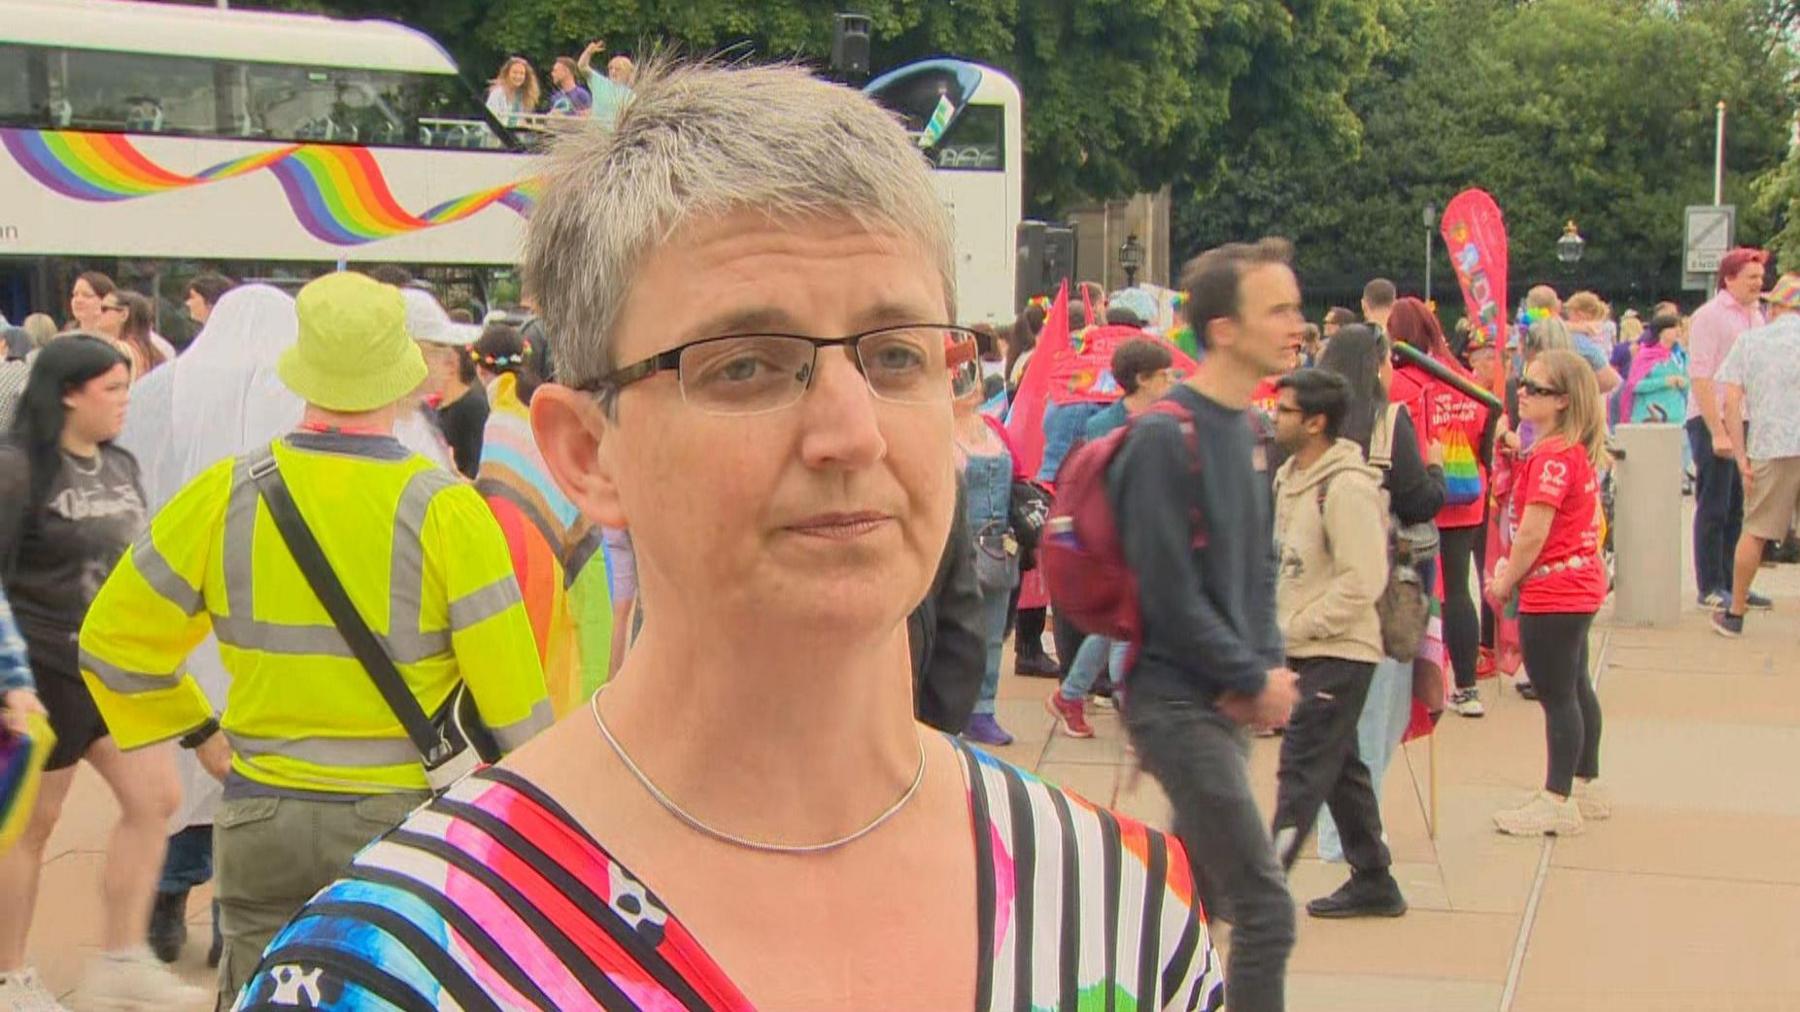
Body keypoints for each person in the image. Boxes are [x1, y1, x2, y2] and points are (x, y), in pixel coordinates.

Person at [234, 61, 1224, 1011]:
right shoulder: (393, 969)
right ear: (587, 452)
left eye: (895, 354)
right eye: (747, 365)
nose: (853, 432)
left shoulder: (1124, 911)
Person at [77, 272, 553, 1005]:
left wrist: (200, 731)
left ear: (302, 374)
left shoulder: (224, 494)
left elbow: (111, 641)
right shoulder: (448, 511)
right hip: (399, 820)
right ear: (401, 383)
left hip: (261, 808)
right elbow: (517, 709)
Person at [1114, 237, 1301, 1012]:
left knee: (1194, 902)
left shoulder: (1252, 433)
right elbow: (1167, 592)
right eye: (1280, 309)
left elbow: (1256, 572)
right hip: (1174, 701)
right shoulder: (1164, 434)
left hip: (1223, 701)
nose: (1298, 322)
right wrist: (1249, 676)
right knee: (1265, 909)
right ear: (1224, 329)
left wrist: (1266, 668)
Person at [0, 336, 209, 1010]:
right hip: (38, 674)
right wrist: (10, 682)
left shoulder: (119, 464)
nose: (125, 401)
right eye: (112, 389)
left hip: (107, 673)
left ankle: (122, 957)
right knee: (31, 825)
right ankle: (10, 976)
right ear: (69, 393)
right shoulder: (15, 471)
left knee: (155, 799)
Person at [1266, 368, 1405, 918]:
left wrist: (1296, 625)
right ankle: (1374, 879)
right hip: (1305, 645)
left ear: (1316, 422)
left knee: (1302, 765)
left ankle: (1263, 884)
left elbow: (1363, 580)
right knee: (1341, 768)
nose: (1273, 417)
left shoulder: (1345, 486)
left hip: (1341, 650)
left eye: (1284, 411)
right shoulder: (1290, 476)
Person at [1311, 324, 1445, 863]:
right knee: (1377, 713)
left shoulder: (1311, 425)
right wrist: (1434, 463)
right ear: (1377, 366)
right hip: (1381, 581)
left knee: (1330, 712)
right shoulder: (1390, 424)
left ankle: (1335, 829)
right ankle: (1354, 832)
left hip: (1319, 579)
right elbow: (1421, 501)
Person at [1484, 349, 1609, 836]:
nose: (1522, 393)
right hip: (1578, 582)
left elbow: (1533, 532)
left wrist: (1505, 579)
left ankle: (1557, 797)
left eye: (1534, 388)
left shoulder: (1553, 459)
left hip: (1554, 588)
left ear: (1561, 400)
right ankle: (1584, 782)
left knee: (1558, 694)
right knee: (1576, 685)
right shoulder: (1565, 451)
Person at [1046, 337, 1175, 738]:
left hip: (1153, 537)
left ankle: (1071, 695)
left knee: (1115, 629)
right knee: (1128, 631)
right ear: (1142, 379)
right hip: (1116, 539)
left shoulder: (1170, 421)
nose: (1171, 381)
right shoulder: (1103, 425)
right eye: (1164, 375)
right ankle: (1134, 716)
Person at [1387, 297, 1493, 717]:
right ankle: (1467, 688)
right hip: (1466, 493)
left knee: (1414, 588)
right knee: (1459, 588)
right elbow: (1487, 433)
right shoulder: (1464, 380)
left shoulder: (1399, 384)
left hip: (1419, 497)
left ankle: (1419, 685)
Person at [1713, 272, 1800, 636]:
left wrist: (1740, 454)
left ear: (1777, 306)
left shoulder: (1751, 342)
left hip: (1771, 443)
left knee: (1756, 530)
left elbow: (1731, 402)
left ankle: (1735, 612)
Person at [1688, 247, 1771, 610]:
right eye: (1751, 277)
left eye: (1760, 277)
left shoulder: (1756, 316)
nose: (1759, 283)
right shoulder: (1710, 316)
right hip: (1714, 417)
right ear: (1729, 278)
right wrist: (1717, 429)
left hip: (1746, 417)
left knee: (1739, 504)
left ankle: (1734, 580)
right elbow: (1702, 374)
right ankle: (1710, 584)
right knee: (1715, 504)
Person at [954, 351, 1023, 747]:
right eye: (963, 380)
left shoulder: (994, 427)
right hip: (961, 542)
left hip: (999, 542)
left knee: (994, 631)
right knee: (960, 630)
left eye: (972, 378)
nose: (973, 387)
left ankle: (984, 709)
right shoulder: (940, 432)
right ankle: (953, 707)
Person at [401, 287, 483, 476]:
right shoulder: (394, 430)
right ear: (411, 352)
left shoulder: (418, 414)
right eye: (439, 346)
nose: (450, 357)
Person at [1620, 313, 1688, 425]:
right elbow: (1634, 385)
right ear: (1661, 331)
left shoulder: (1681, 355)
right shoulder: (1645, 355)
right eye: (1673, 327)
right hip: (1649, 417)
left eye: (1679, 327)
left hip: (1677, 417)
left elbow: (1690, 382)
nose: (1678, 330)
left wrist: (1683, 382)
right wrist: (1664, 382)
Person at [95, 289, 168, 380]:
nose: (97, 313)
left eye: (104, 309)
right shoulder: (154, 352)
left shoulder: (119, 350)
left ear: (124, 314)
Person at [578, 40, 635, 129]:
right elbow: (582, 67)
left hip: (616, 137)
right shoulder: (600, 82)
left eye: (618, 69)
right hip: (594, 134)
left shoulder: (631, 95)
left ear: (627, 73)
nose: (613, 71)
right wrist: (588, 52)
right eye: (611, 68)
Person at [485, 55, 541, 128]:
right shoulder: (497, 93)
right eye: (515, 72)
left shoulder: (523, 95)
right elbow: (490, 119)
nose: (518, 76)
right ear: (507, 73)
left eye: (521, 73)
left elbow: (520, 121)